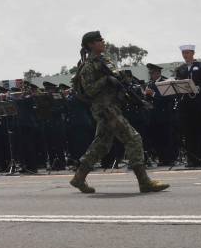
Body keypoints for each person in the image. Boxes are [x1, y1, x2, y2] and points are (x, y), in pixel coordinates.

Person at [69, 31, 168, 194]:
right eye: (98, 40)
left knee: (101, 145)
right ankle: (144, 182)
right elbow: (89, 91)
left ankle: (79, 178)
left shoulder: (104, 61)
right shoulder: (88, 66)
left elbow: (120, 84)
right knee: (133, 138)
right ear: (90, 45)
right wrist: (105, 80)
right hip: (105, 109)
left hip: (112, 107)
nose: (103, 42)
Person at [175, 43, 201, 168]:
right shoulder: (181, 68)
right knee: (189, 133)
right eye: (184, 53)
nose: (185, 55)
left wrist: (199, 87)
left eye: (187, 53)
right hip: (187, 104)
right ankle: (193, 159)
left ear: (192, 53)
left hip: (200, 104)